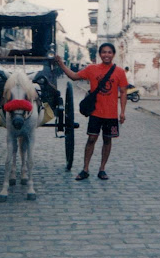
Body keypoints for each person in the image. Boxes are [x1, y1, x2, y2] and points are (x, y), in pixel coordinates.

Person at [55, 43, 128, 180]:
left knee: (107, 140)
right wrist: (61, 64)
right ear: (100, 54)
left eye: (109, 52)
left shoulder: (119, 72)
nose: (106, 55)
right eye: (104, 52)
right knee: (91, 139)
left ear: (113, 54)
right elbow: (74, 76)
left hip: (111, 114)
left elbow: (123, 92)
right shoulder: (92, 69)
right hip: (96, 112)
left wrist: (122, 112)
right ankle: (85, 169)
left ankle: (102, 169)